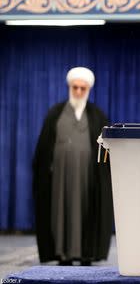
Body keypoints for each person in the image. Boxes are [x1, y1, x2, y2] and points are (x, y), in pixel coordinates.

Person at [32, 67, 113, 265]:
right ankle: (62, 253)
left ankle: (86, 253)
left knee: (86, 211)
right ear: (70, 87)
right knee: (60, 213)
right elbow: (42, 151)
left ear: (88, 90)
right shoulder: (55, 114)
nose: (78, 92)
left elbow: (107, 150)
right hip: (59, 179)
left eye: (82, 89)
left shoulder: (97, 116)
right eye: (75, 87)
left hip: (88, 179)